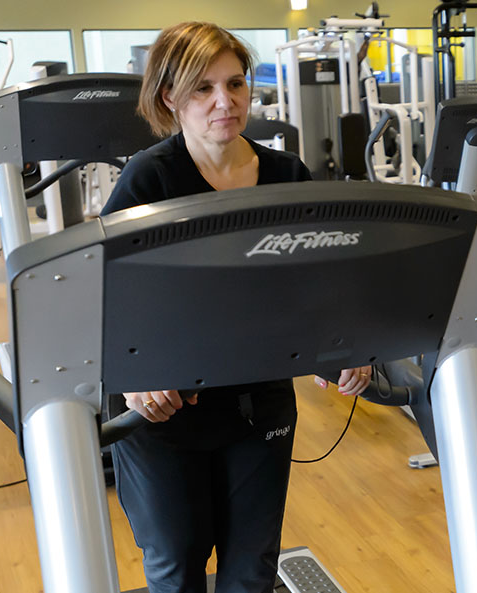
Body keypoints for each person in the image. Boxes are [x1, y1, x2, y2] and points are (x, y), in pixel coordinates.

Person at [101, 22, 372, 593]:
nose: (225, 101)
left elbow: (315, 286)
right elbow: (107, 297)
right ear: (170, 98)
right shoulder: (151, 177)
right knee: (177, 568)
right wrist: (135, 377)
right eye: (203, 88)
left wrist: (346, 347)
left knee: (252, 571)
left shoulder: (286, 175)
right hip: (165, 410)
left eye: (236, 84)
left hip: (258, 404)